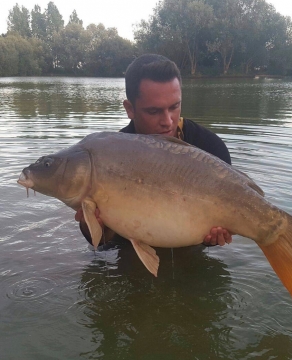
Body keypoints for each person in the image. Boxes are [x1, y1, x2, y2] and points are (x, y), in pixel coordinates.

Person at [75, 54, 233, 248]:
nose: (167, 121)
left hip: (190, 250)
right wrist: (91, 224)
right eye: (154, 111)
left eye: (174, 107)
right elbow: (100, 242)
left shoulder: (211, 149)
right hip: (131, 251)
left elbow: (218, 231)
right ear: (129, 109)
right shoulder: (110, 155)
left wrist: (214, 239)